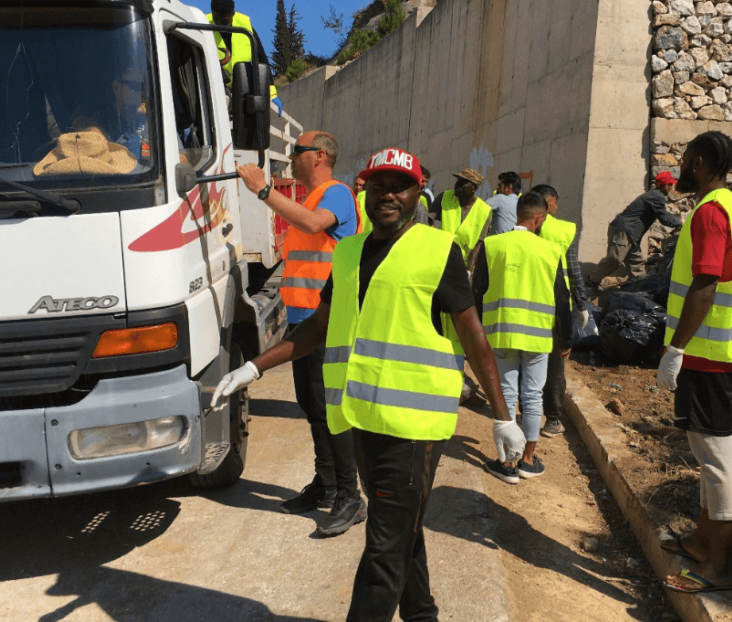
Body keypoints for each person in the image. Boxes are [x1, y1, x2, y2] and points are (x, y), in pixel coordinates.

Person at [212, 146, 526, 622]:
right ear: (365, 192)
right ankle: (422, 615)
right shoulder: (351, 252)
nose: (387, 195)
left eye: (398, 186)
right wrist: (254, 367)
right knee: (401, 529)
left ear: (417, 191)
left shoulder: (439, 251)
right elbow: (319, 325)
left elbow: (473, 337)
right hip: (363, 419)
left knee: (382, 550)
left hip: (414, 427)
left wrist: (503, 417)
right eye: (377, 186)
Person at [655, 131, 732, 594]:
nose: (682, 167)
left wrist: (676, 349)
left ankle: (719, 565)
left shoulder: (710, 212)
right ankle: (704, 542)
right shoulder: (730, 205)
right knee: (708, 455)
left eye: (685, 160)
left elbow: (705, 283)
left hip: (712, 355)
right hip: (724, 352)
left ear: (700, 163)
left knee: (716, 457)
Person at [236, 130, 365, 537]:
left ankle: (350, 496)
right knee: (312, 409)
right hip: (302, 320)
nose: (291, 157)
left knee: (329, 413)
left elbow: (313, 224)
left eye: (298, 152)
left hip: (327, 321)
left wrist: (263, 191)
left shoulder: (337, 193)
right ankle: (325, 484)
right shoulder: (309, 197)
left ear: (320, 156)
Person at [473, 192, 572, 483]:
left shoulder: (493, 246)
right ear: (539, 218)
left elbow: (477, 292)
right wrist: (566, 339)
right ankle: (528, 460)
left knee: (506, 393)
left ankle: (507, 464)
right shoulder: (550, 251)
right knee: (532, 396)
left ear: (518, 214)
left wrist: (477, 336)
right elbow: (562, 299)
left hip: (501, 332)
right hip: (539, 337)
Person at [530, 184, 590, 439]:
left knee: (528, 361)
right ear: (550, 201)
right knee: (555, 365)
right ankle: (552, 419)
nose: (557, 207)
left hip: (527, 300)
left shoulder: (524, 225)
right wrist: (582, 303)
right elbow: (574, 269)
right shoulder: (565, 229)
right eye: (555, 202)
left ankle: (526, 414)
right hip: (556, 303)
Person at [589, 171, 683, 288]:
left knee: (636, 264)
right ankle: (592, 280)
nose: (671, 187)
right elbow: (664, 218)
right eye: (670, 185)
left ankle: (640, 289)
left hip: (632, 233)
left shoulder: (654, 196)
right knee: (615, 258)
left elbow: (664, 215)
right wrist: (680, 222)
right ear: (665, 185)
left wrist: (677, 221)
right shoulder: (656, 196)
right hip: (624, 230)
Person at [207, 0, 282, 115]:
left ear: (233, 14)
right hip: (215, 87)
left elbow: (261, 59)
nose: (221, 25)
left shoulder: (245, 27)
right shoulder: (203, 25)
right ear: (212, 13)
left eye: (225, 21)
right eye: (217, 20)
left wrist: (272, 93)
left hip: (242, 86)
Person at [427, 168, 492, 271]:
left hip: (463, 263)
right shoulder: (445, 197)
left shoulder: (484, 210)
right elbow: (429, 219)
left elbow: (479, 243)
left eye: (463, 183)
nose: (457, 185)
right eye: (458, 181)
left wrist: (469, 270)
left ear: (473, 189)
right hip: (441, 256)